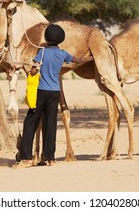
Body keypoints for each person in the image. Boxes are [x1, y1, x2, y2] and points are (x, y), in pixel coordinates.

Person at [13, 23, 93, 168]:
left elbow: (33, 71)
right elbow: (79, 60)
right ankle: (51, 158)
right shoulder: (63, 54)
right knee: (50, 124)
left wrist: (32, 68)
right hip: (55, 92)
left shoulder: (42, 52)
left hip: (41, 91)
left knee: (30, 122)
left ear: (46, 38)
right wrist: (93, 57)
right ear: (61, 39)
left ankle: (26, 158)